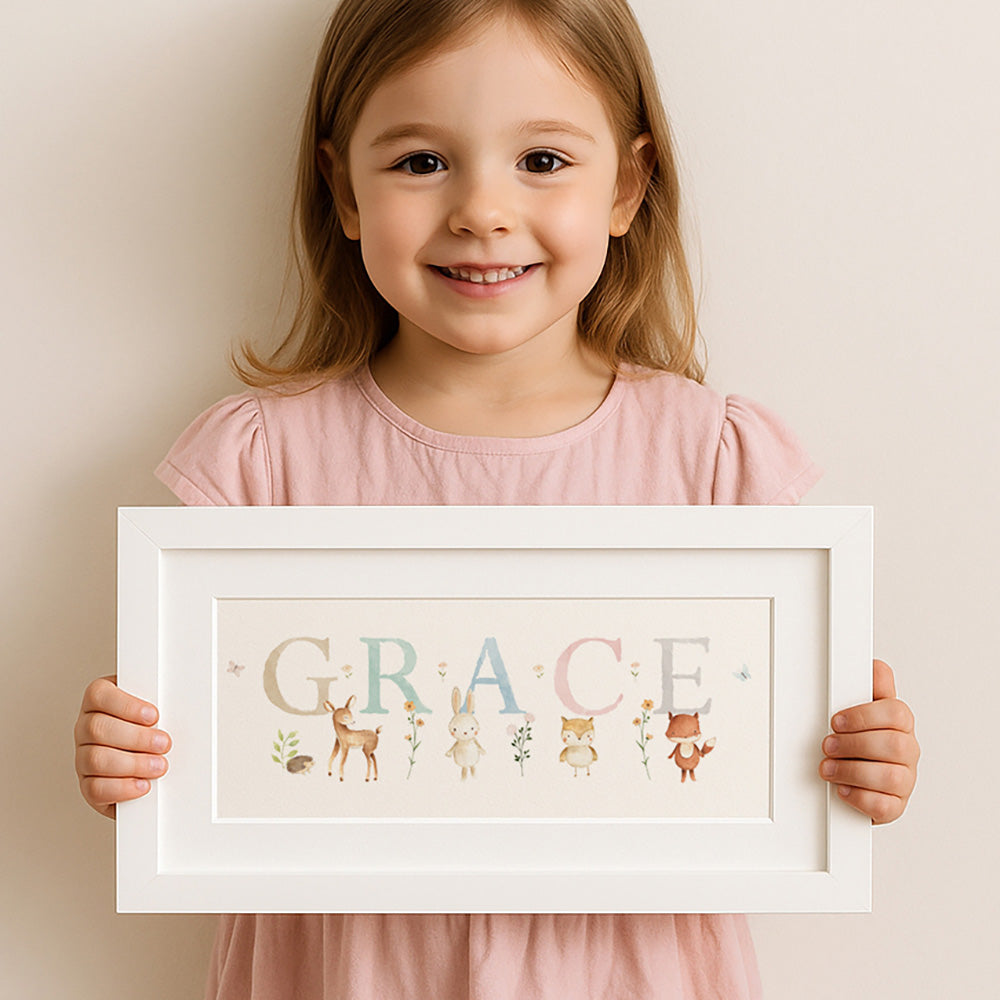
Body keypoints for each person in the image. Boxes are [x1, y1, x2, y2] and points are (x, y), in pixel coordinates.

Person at [73, 1, 920, 996]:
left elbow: (773, 753)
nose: (481, 209)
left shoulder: (713, 463)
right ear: (340, 188)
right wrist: (130, 758)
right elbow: (198, 751)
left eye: (544, 161)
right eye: (422, 161)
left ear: (629, 183)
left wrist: (860, 760)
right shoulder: (264, 464)